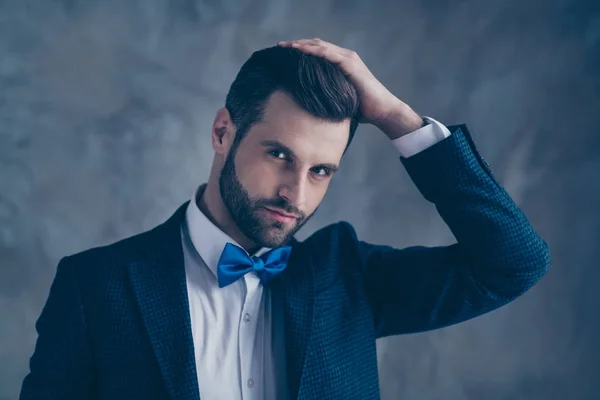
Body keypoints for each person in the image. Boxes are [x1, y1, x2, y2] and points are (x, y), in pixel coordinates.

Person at [19, 38, 550, 400]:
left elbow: (514, 263)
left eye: (321, 170)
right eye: (280, 155)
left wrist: (395, 118)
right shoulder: (95, 286)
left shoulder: (349, 279)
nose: (295, 194)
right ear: (223, 132)